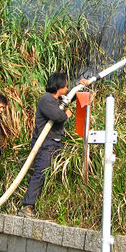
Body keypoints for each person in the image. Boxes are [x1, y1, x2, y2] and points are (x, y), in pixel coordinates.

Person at [18, 73, 89, 218]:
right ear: (59, 85)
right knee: (41, 173)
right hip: (45, 144)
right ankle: (27, 206)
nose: (67, 87)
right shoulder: (46, 99)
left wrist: (80, 85)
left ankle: (57, 205)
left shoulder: (58, 99)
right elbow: (57, 116)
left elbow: (71, 96)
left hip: (55, 143)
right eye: (66, 84)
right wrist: (66, 115)